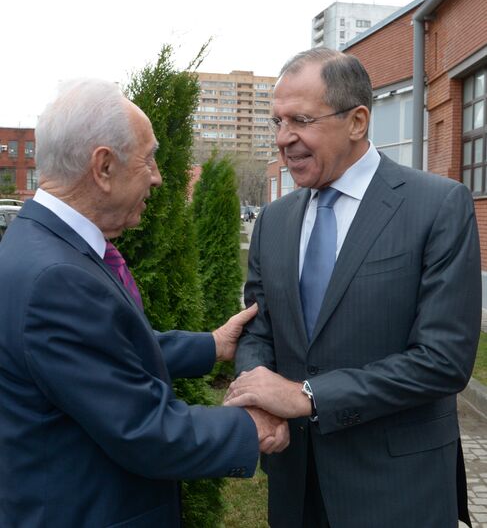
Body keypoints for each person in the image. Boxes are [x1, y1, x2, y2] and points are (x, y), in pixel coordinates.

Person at [0, 78, 289, 528]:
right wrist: (252, 425)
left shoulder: (39, 242)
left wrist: (213, 345)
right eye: (149, 158)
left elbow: (106, 351)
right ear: (104, 166)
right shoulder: (57, 279)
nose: (158, 175)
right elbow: (143, 430)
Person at [224, 47, 481, 528]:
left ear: (358, 121)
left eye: (300, 120)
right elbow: (259, 330)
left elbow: (443, 361)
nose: (284, 139)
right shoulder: (274, 221)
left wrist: (309, 396)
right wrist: (258, 396)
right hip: (295, 485)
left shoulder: (437, 205)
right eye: (276, 123)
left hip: (398, 489)